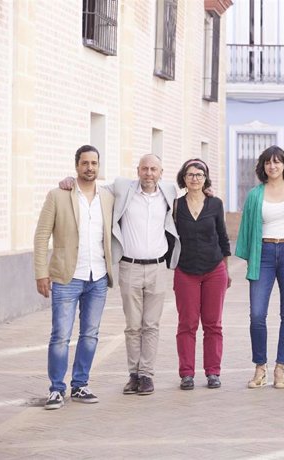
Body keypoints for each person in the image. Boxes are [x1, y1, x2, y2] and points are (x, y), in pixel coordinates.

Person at [58, 154, 180, 396]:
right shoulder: (123, 188)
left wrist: (206, 191)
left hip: (157, 267)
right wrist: (71, 180)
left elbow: (192, 193)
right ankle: (133, 375)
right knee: (133, 325)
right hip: (129, 267)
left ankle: (147, 375)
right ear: (138, 170)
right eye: (144, 168)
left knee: (151, 325)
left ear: (161, 172)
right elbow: (92, 187)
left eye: (153, 169)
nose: (148, 173)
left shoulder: (169, 192)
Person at [34, 145, 115, 410]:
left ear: (99, 167)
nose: (89, 167)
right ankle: (56, 389)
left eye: (94, 163)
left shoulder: (108, 197)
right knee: (60, 335)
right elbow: (41, 236)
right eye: (84, 163)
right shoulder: (59, 195)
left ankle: (80, 385)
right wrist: (41, 273)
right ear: (76, 165)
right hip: (67, 277)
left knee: (90, 334)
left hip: (98, 277)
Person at [236, 146, 284, 389]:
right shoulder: (256, 194)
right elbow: (247, 227)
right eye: (268, 162)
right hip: (264, 254)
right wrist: (249, 259)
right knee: (257, 314)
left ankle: (281, 368)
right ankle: (260, 367)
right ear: (263, 167)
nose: (273, 166)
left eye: (277, 162)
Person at [173, 158, 231, 390]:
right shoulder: (176, 205)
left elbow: (223, 237)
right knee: (187, 324)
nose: (195, 178)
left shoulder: (215, 204)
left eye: (199, 174)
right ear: (184, 178)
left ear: (205, 178)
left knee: (213, 324)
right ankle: (187, 373)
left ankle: (213, 372)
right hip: (186, 270)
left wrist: (226, 269)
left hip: (214, 270)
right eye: (190, 174)